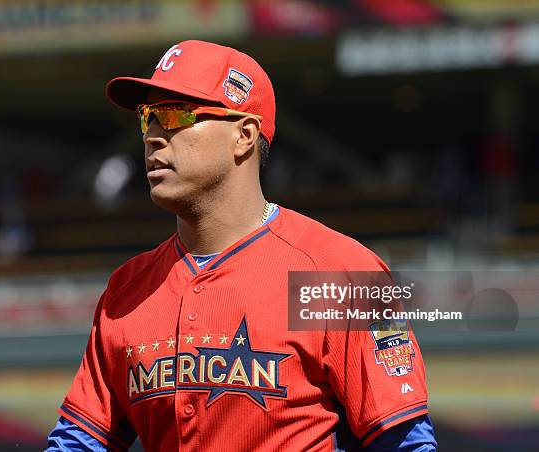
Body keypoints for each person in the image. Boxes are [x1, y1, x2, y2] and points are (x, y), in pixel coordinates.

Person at [46, 40, 437, 451]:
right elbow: (78, 441)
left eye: (176, 114)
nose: (154, 137)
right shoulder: (126, 289)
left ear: (244, 135)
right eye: (148, 119)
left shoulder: (344, 272)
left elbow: (405, 443)